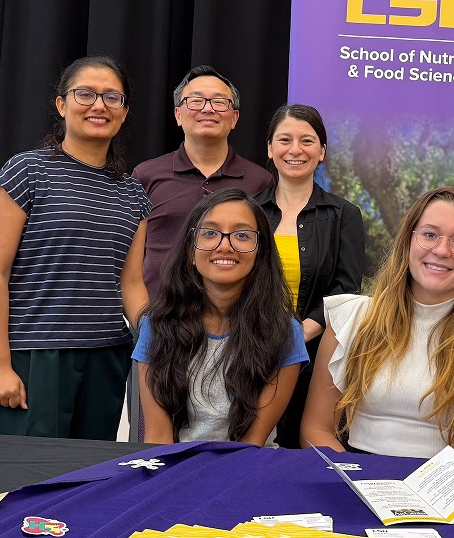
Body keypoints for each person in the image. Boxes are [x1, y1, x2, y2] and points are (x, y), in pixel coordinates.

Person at [0, 55, 150, 439]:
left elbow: (132, 283)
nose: (99, 105)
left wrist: (158, 329)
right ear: (62, 104)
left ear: (124, 111)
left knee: (86, 481)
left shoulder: (134, 192)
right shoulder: (26, 171)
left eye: (112, 97)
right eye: (85, 94)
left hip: (107, 357)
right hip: (34, 357)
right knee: (20, 478)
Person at [301, 187, 454, 463]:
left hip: (452, 491)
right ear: (408, 241)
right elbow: (315, 430)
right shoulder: (350, 320)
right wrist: (362, 483)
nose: (441, 250)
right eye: (429, 234)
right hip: (359, 478)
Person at [134, 189, 307, 445]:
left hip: (247, 468)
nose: (225, 246)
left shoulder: (285, 333)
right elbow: (158, 437)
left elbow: (252, 442)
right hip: (176, 468)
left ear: (261, 251)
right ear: (190, 252)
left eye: (242, 235)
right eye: (210, 233)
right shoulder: (157, 325)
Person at [256, 104, 365, 448]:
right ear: (270, 148)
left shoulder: (344, 214)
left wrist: (300, 333)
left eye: (307, 141)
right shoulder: (248, 211)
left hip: (317, 357)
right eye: (285, 139)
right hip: (250, 349)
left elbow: (347, 286)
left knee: (302, 447)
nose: (295, 150)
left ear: (322, 152)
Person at [133, 65, 272, 295]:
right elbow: (129, 264)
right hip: (159, 320)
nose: (208, 109)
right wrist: (143, 320)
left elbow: (264, 258)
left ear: (234, 117)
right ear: (178, 114)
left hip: (237, 321)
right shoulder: (146, 175)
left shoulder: (261, 181)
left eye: (219, 102)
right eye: (196, 101)